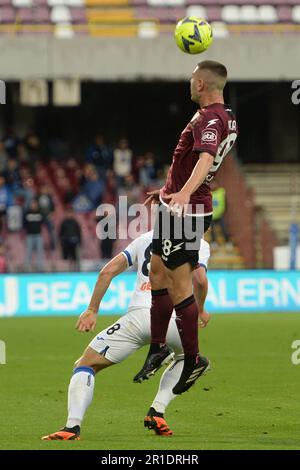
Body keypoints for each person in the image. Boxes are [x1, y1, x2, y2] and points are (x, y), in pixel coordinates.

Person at [41, 230, 210, 441]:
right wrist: (200, 309)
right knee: (189, 359)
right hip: (176, 318)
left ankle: (72, 426)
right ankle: (157, 410)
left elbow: (107, 271)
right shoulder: (199, 243)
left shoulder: (146, 239)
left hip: (140, 316)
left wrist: (92, 309)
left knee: (86, 364)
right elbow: (200, 280)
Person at [134, 60, 238, 395]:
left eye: (193, 79)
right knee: (156, 271)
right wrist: (167, 191)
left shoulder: (210, 118)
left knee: (180, 284)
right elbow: (190, 161)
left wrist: (182, 193)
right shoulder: (227, 116)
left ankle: (192, 359)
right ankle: (158, 345)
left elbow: (206, 159)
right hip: (175, 205)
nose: (189, 83)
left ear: (201, 85)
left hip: (187, 211)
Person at [23, 198, 45, 272]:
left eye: (35, 204)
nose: (33, 205)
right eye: (32, 204)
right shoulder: (27, 213)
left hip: (38, 235)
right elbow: (24, 224)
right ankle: (26, 268)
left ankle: (40, 268)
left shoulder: (40, 213)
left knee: (40, 252)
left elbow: (43, 222)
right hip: (29, 235)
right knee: (28, 252)